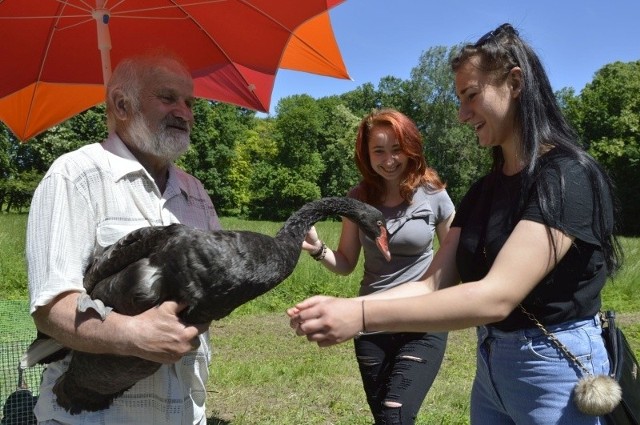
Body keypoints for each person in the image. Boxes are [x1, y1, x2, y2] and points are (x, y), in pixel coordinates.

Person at [289, 23, 623, 425]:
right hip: (493, 365)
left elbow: (494, 297)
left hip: (555, 368)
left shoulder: (567, 177)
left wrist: (360, 317)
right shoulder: (483, 191)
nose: (463, 115)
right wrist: (348, 305)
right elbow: (432, 282)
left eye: (471, 96)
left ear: (514, 83)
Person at [26, 52, 220, 424]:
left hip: (185, 411)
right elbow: (51, 309)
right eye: (168, 98)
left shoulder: (196, 193)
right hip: (93, 414)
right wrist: (132, 333)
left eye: (189, 102)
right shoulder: (74, 176)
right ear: (121, 104)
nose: (185, 112)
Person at [302, 108, 455, 424]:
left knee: (394, 415)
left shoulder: (434, 192)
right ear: (366, 154)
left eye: (396, 149)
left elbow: (454, 255)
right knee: (385, 417)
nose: (389, 160)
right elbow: (345, 263)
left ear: (409, 147)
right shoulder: (357, 198)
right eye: (379, 151)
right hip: (371, 323)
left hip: (422, 322)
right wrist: (317, 249)